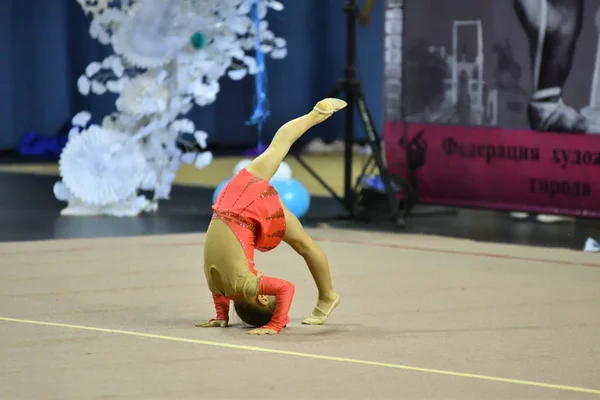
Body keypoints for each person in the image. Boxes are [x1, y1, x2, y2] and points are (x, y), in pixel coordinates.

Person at [196, 98, 346, 335]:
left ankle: (329, 295)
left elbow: (285, 288)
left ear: (263, 298)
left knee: (305, 245)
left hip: (242, 208)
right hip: (234, 200)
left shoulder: (244, 284)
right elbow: (220, 296)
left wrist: (275, 323)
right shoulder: (221, 287)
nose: (263, 277)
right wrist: (221, 315)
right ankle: (328, 295)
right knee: (278, 146)